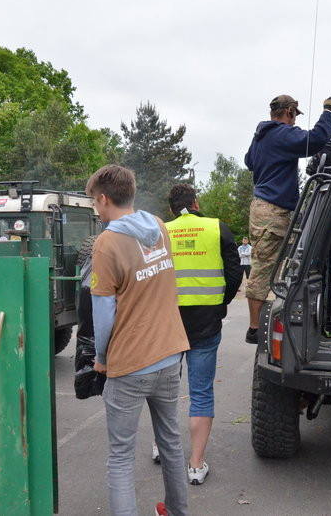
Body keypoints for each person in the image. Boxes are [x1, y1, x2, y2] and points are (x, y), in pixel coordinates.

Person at [86, 164, 190, 516]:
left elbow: (103, 314)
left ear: (104, 199)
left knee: (121, 457)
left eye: (94, 204)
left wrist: (101, 357)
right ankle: (178, 512)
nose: (96, 210)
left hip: (130, 364)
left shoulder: (107, 242)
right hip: (170, 355)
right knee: (171, 444)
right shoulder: (159, 227)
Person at [162, 183, 242, 485]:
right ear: (196, 203)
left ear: (172, 209)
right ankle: (195, 465)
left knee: (165, 390)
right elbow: (235, 273)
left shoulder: (162, 231)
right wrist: (220, 302)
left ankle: (162, 447)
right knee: (201, 391)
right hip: (206, 322)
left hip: (169, 322)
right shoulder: (216, 228)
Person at [243, 94, 331, 343]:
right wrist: (328, 113)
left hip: (265, 209)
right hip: (272, 211)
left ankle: (262, 322)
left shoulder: (262, 137)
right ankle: (254, 329)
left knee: (271, 265)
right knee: (264, 267)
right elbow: (315, 139)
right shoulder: (280, 133)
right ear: (290, 111)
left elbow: (248, 162)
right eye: (295, 116)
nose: (295, 122)